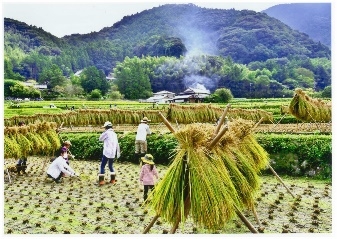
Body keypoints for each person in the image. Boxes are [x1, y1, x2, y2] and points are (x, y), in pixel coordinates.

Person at [98, 121, 121, 186]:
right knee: (110, 165)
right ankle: (113, 180)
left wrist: (104, 133)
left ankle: (101, 180)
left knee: (102, 165)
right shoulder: (114, 134)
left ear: (106, 127)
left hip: (107, 152)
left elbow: (100, 139)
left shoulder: (106, 133)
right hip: (113, 153)